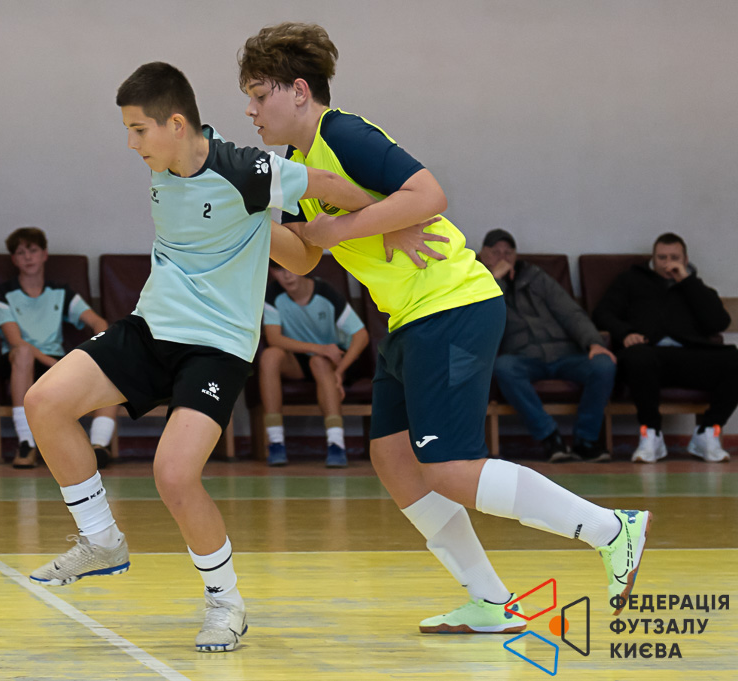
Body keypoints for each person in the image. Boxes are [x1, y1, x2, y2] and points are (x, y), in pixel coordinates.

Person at [237, 22, 650, 632]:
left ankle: (613, 530)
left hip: (452, 303)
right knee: (392, 458)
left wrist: (349, 225)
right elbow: (303, 255)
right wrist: (246, 222)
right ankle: (491, 601)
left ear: (299, 90)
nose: (250, 111)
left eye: (258, 94)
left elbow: (429, 194)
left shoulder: (342, 133)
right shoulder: (297, 167)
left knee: (450, 468)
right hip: (409, 317)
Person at [23, 61, 385, 653]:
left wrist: (393, 222)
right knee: (44, 401)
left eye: (138, 130)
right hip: (152, 328)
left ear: (175, 123)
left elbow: (327, 191)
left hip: (217, 346)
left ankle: (225, 603)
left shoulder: (245, 169)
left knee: (174, 474)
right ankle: (101, 540)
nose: (131, 144)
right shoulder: (164, 167)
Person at [593, 232, 736, 463]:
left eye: (674, 258)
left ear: (685, 259)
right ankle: (651, 434)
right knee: (638, 357)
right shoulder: (630, 280)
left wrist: (687, 281)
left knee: (733, 361)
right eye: (662, 257)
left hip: (690, 355)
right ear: (653, 258)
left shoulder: (694, 285)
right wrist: (626, 333)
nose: (668, 263)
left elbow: (719, 322)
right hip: (648, 353)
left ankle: (708, 431)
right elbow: (602, 313)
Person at [478, 228, 616, 463]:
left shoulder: (535, 276)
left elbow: (570, 312)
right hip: (522, 356)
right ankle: (550, 438)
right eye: (496, 252)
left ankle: (586, 441)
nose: (503, 257)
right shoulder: (477, 282)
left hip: (565, 353)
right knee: (504, 368)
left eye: (508, 252)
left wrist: (593, 342)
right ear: (483, 255)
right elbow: (482, 317)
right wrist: (495, 281)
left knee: (603, 364)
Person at [0, 227, 118, 469]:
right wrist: (56, 365)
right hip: (24, 363)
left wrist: (102, 343)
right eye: (21, 253)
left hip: (58, 361)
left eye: (33, 250)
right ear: (14, 259)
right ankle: (26, 444)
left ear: (44, 254)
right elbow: (16, 341)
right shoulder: (3, 294)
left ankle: (99, 446)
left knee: (108, 361)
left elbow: (97, 321)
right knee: (23, 353)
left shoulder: (61, 291)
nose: (28, 257)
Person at [259, 261, 369, 467]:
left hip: (333, 359)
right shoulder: (272, 294)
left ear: (303, 266)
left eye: (290, 267)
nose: (287, 276)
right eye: (279, 270)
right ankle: (275, 442)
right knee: (270, 356)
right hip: (301, 360)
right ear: (272, 272)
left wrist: (340, 370)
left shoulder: (326, 292)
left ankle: (336, 444)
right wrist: (319, 348)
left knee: (319, 362)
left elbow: (361, 335)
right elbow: (274, 339)